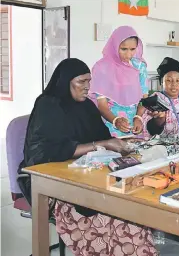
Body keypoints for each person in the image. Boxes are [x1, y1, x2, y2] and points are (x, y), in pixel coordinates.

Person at [17, 58, 157, 255]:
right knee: (119, 219)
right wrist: (101, 144)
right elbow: (44, 152)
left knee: (129, 207)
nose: (87, 87)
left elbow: (102, 137)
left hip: (86, 175)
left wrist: (122, 144)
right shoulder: (48, 105)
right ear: (66, 81)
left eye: (89, 81)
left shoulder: (86, 106)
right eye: (81, 82)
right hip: (55, 185)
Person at [90, 26, 158, 138]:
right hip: (110, 124)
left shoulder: (139, 67)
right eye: (123, 49)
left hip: (135, 126)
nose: (128, 55)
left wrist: (138, 117)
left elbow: (143, 99)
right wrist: (115, 120)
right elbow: (102, 105)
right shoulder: (102, 68)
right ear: (114, 46)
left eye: (133, 49)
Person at [146, 57, 179, 136]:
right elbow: (150, 130)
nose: (174, 84)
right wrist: (159, 121)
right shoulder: (155, 99)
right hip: (162, 144)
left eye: (178, 81)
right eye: (169, 80)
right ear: (161, 82)